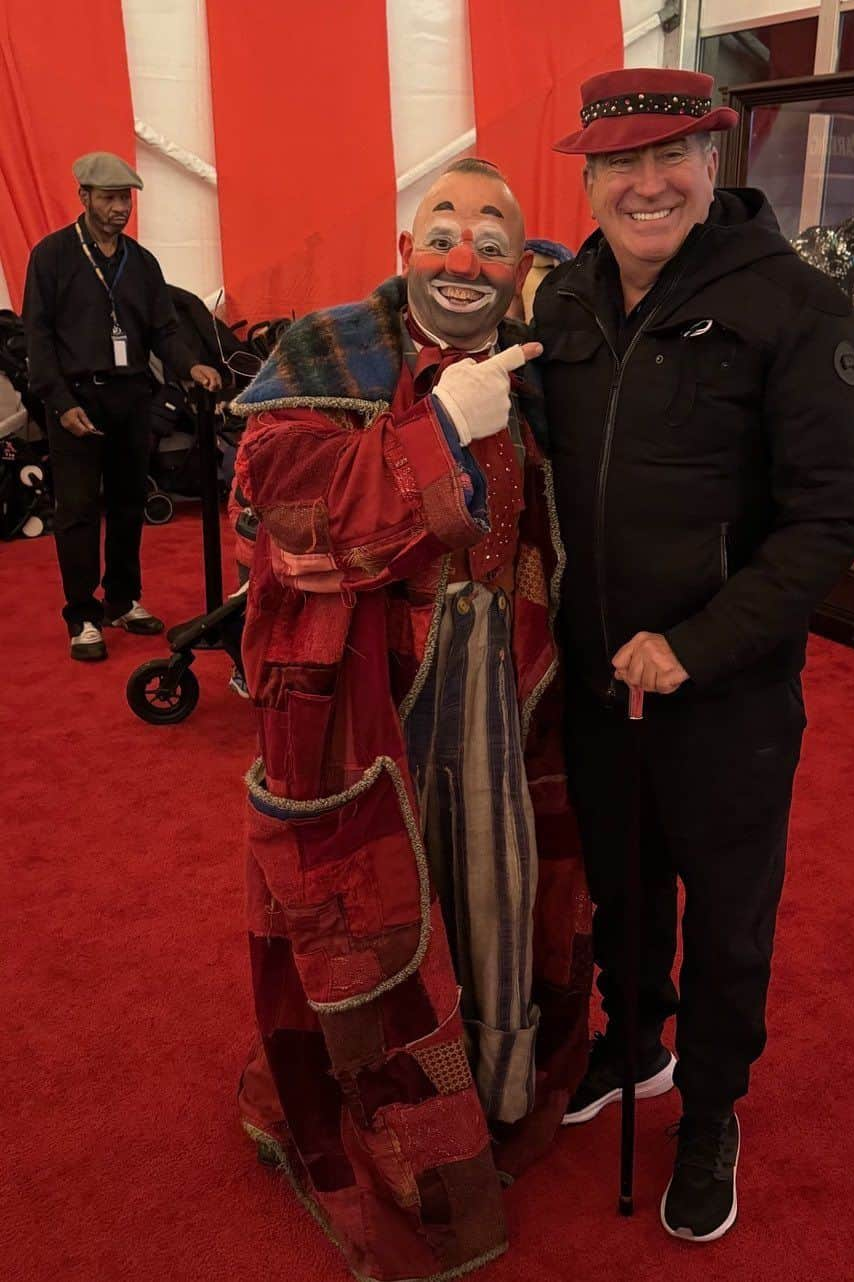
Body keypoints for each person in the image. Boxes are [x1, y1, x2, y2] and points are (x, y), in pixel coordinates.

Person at [229, 158, 590, 1282]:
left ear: (522, 265)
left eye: (495, 236)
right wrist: (435, 429)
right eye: (443, 229)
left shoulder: (539, 374)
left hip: (504, 688)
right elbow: (278, 512)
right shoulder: (326, 351)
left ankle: (492, 1091)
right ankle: (410, 1147)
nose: (465, 254)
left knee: (494, 887)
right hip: (363, 702)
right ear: (402, 254)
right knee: (376, 911)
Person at [532, 68, 854, 1243]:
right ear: (584, 179)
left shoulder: (794, 304)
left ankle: (712, 1104)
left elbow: (831, 515)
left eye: (669, 155)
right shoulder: (561, 303)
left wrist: (696, 646)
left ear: (711, 164)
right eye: (618, 163)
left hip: (726, 693)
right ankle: (633, 1050)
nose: (645, 182)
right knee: (619, 894)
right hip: (593, 683)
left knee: (728, 917)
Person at [22, 152, 221, 661]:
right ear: (83, 196)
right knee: (79, 510)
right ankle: (83, 615)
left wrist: (189, 367)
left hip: (132, 397)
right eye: (109, 198)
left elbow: (164, 331)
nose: (119, 209)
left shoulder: (142, 262)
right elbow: (37, 339)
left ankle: (122, 599)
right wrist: (60, 403)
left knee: (131, 503)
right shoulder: (52, 257)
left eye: (125, 199)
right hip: (76, 401)